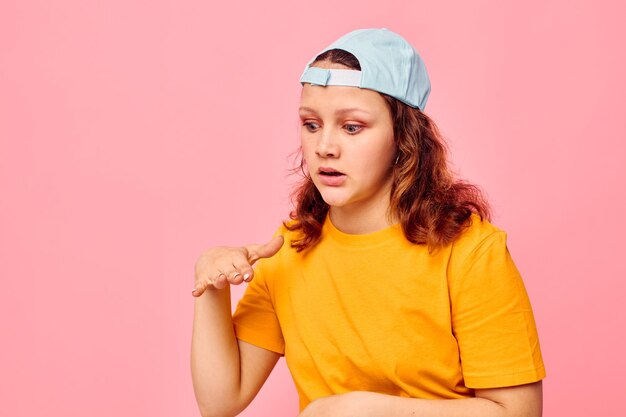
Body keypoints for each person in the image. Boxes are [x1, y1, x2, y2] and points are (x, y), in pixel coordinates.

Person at [190, 28, 546, 417]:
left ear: (404, 138)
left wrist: (363, 409)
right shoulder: (290, 249)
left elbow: (518, 411)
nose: (324, 146)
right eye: (311, 124)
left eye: (352, 127)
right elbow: (220, 402)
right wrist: (211, 287)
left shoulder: (471, 253)